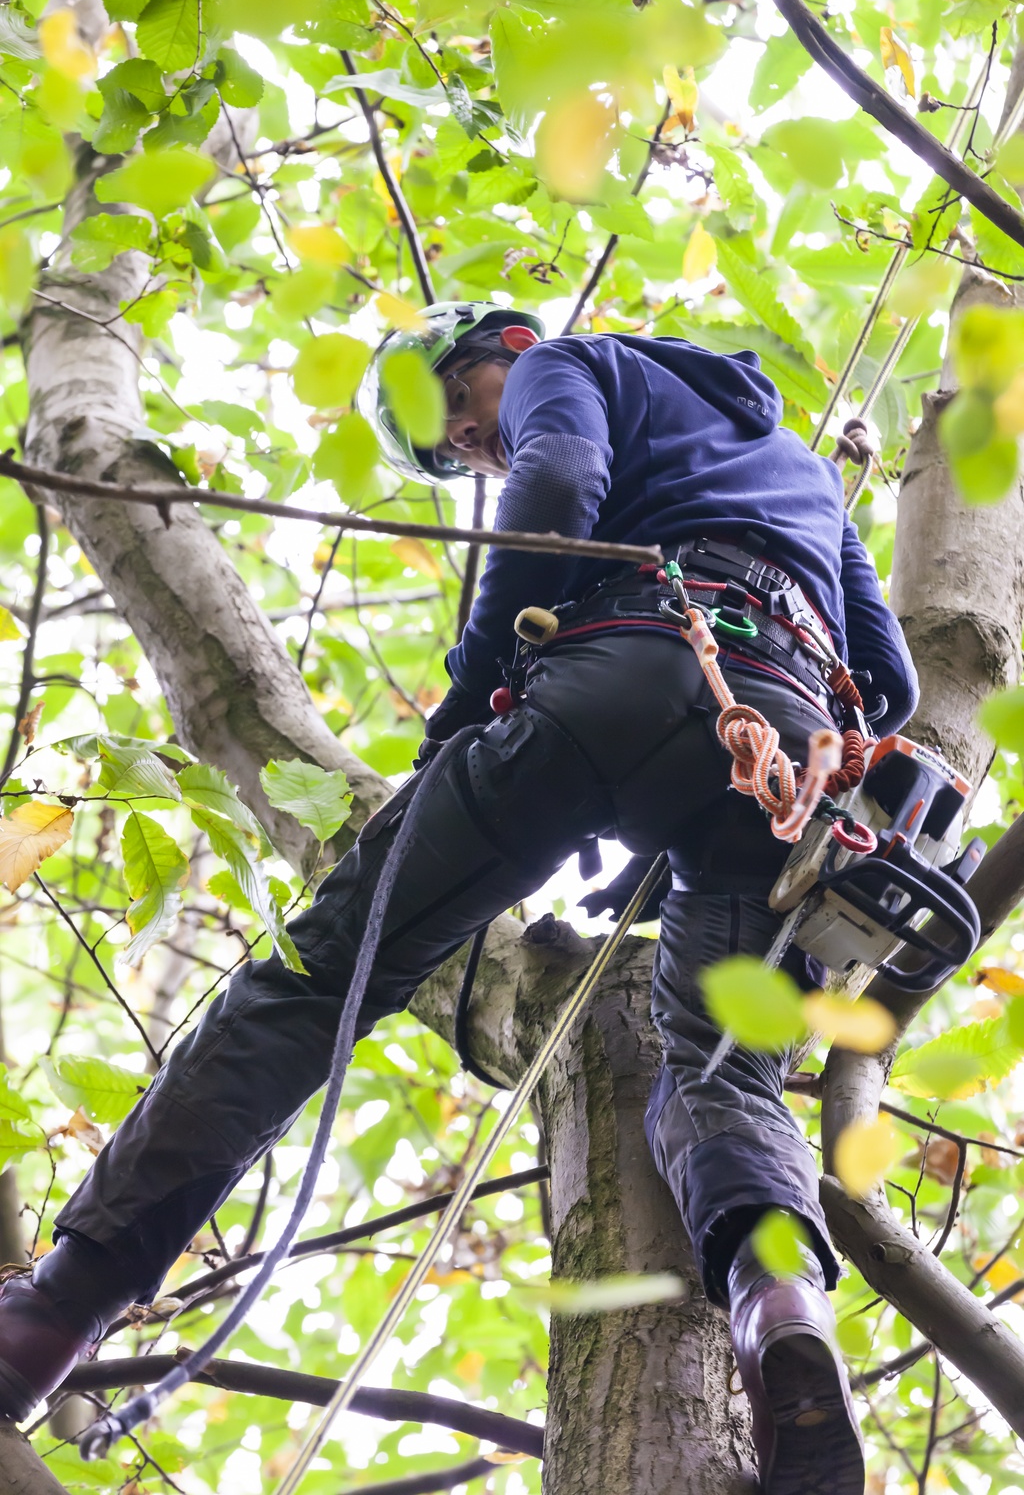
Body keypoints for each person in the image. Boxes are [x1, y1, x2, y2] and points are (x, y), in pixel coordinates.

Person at [0, 302, 916, 1494]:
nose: (473, 459)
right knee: (725, 1067)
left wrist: (458, 717)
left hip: (614, 673)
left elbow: (556, 487)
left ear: (503, 351)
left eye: (462, 426)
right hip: (781, 754)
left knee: (315, 978)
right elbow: (886, 686)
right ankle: (777, 1311)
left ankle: (43, 1324)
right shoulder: (800, 473)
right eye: (454, 463)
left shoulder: (573, 366)